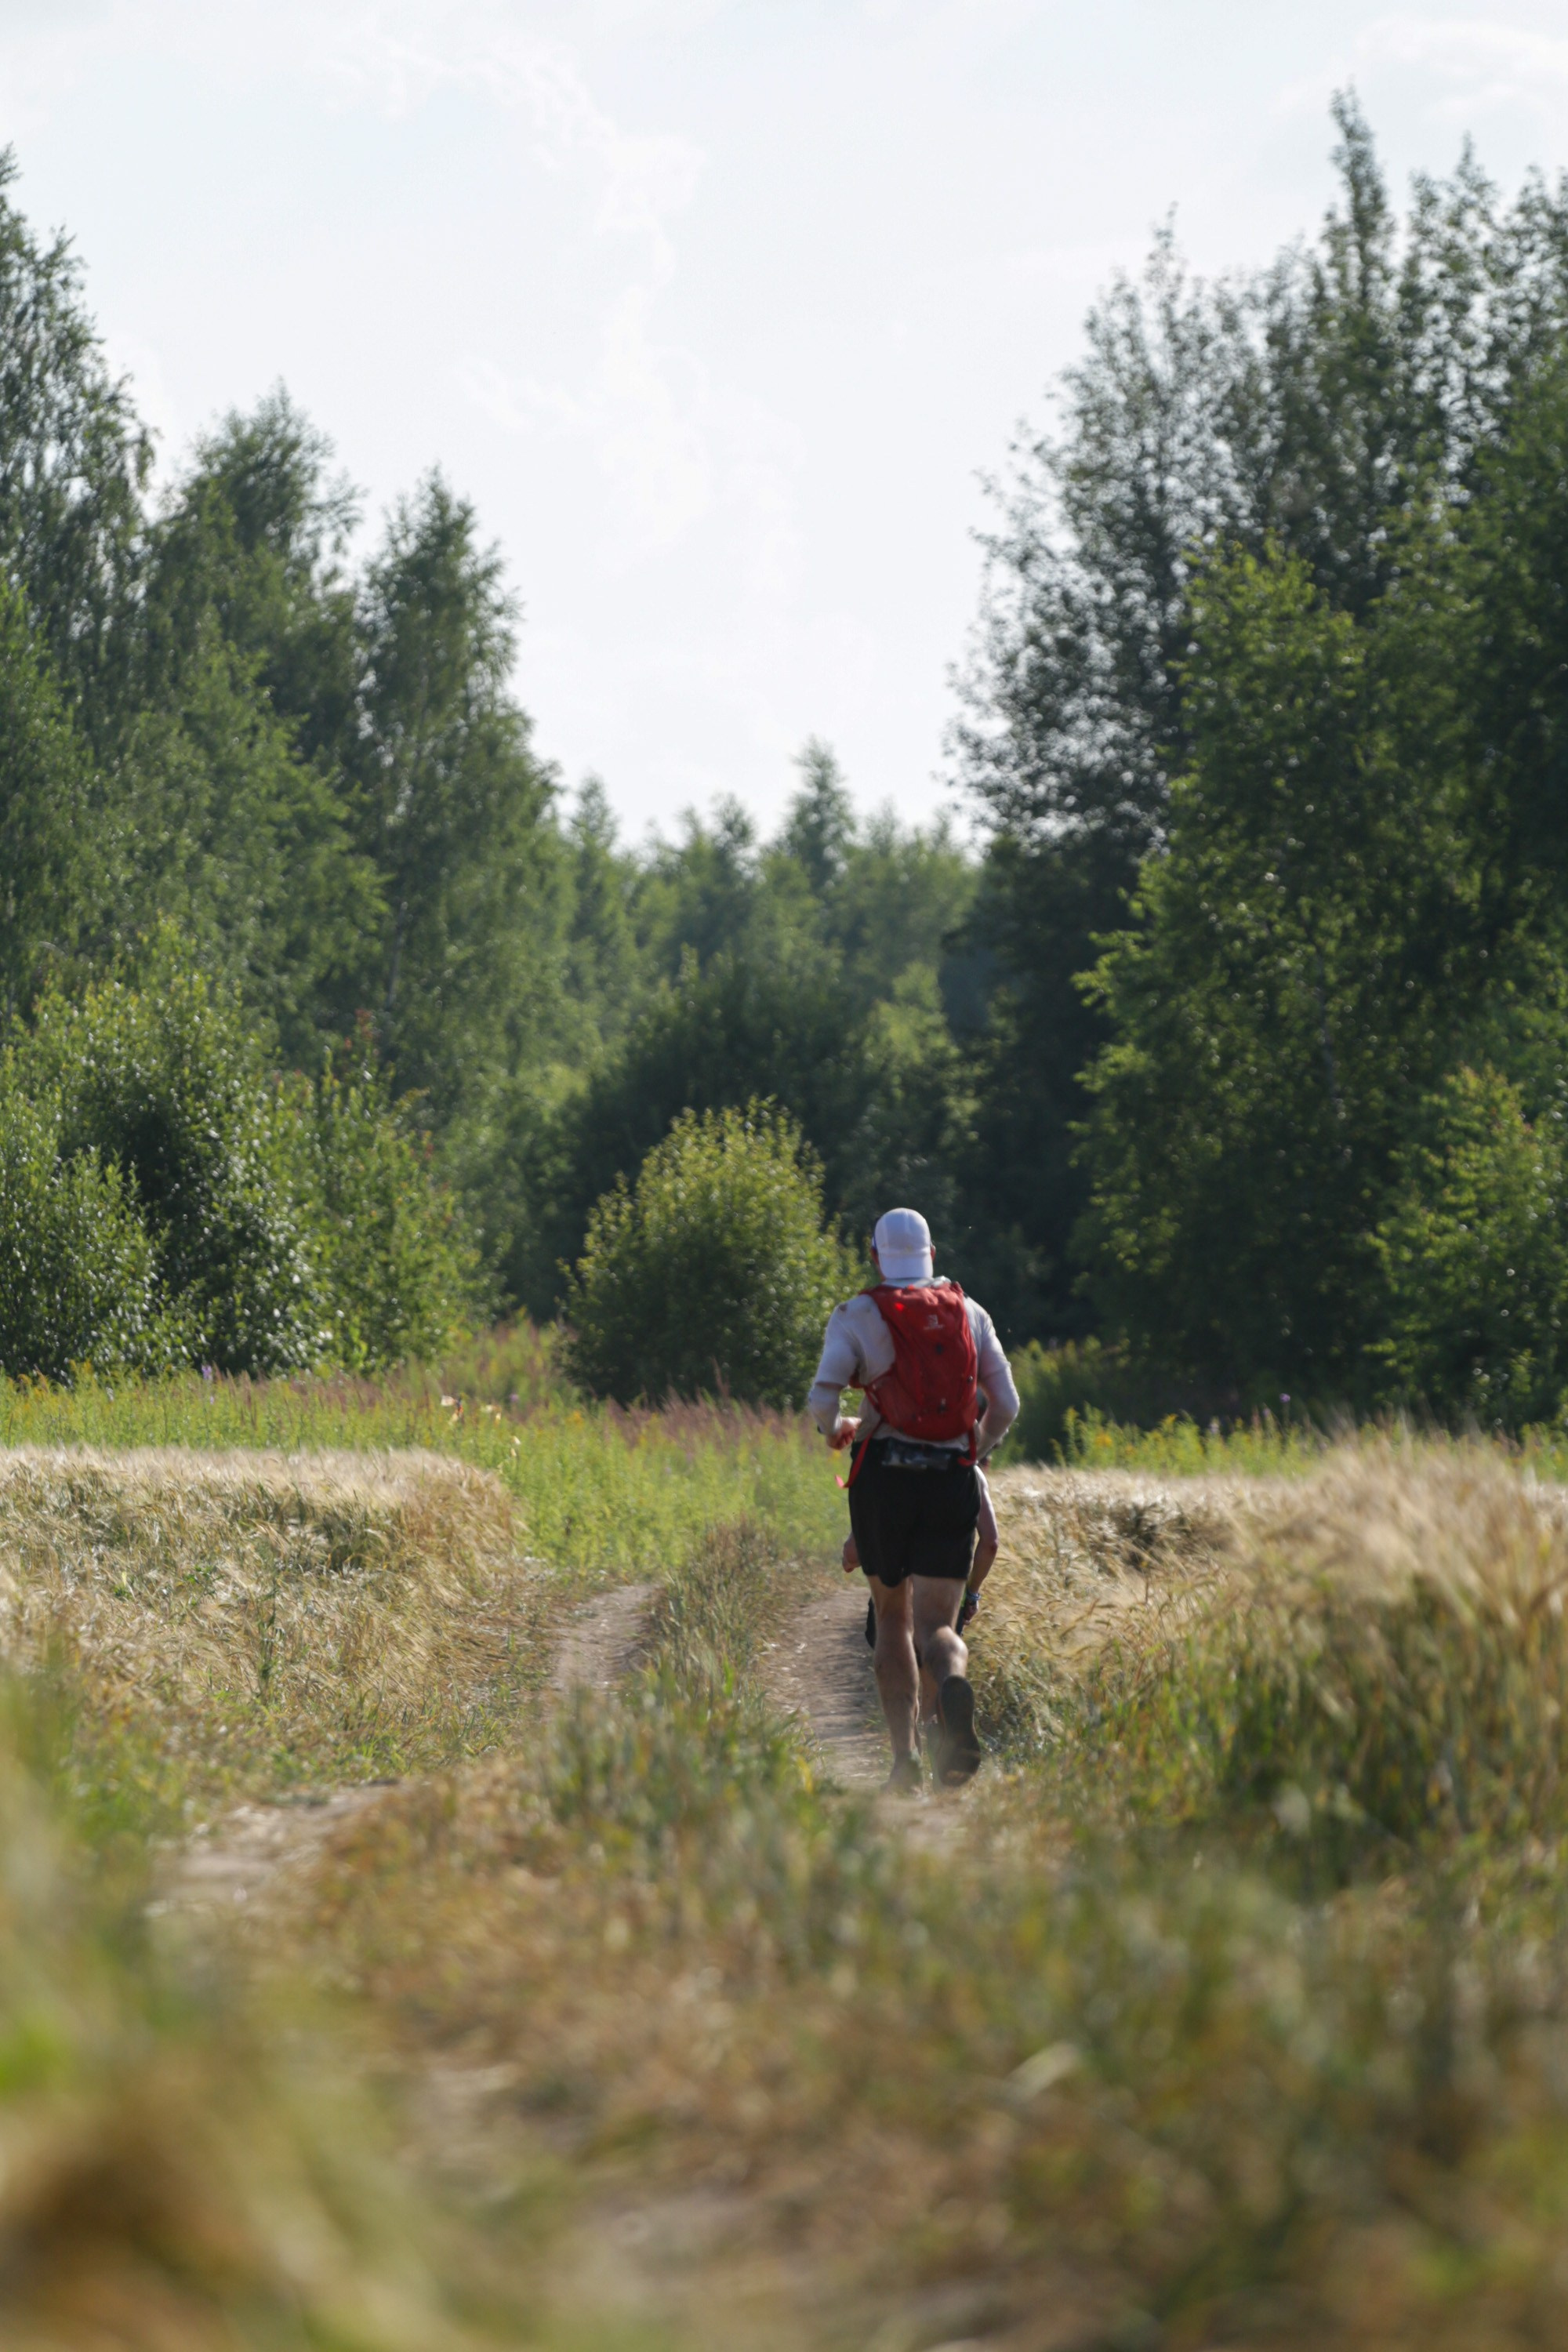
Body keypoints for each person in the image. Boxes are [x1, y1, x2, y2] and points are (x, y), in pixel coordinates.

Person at [808, 1207, 1018, 1791]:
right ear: (931, 1255)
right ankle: (951, 1681)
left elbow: (821, 1397)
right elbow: (1007, 1404)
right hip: (949, 1476)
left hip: (884, 1483)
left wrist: (835, 1431)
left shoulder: (856, 1316)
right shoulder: (969, 1314)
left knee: (892, 1615)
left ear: (876, 1258)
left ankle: (905, 1763)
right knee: (936, 1627)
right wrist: (976, 1450)